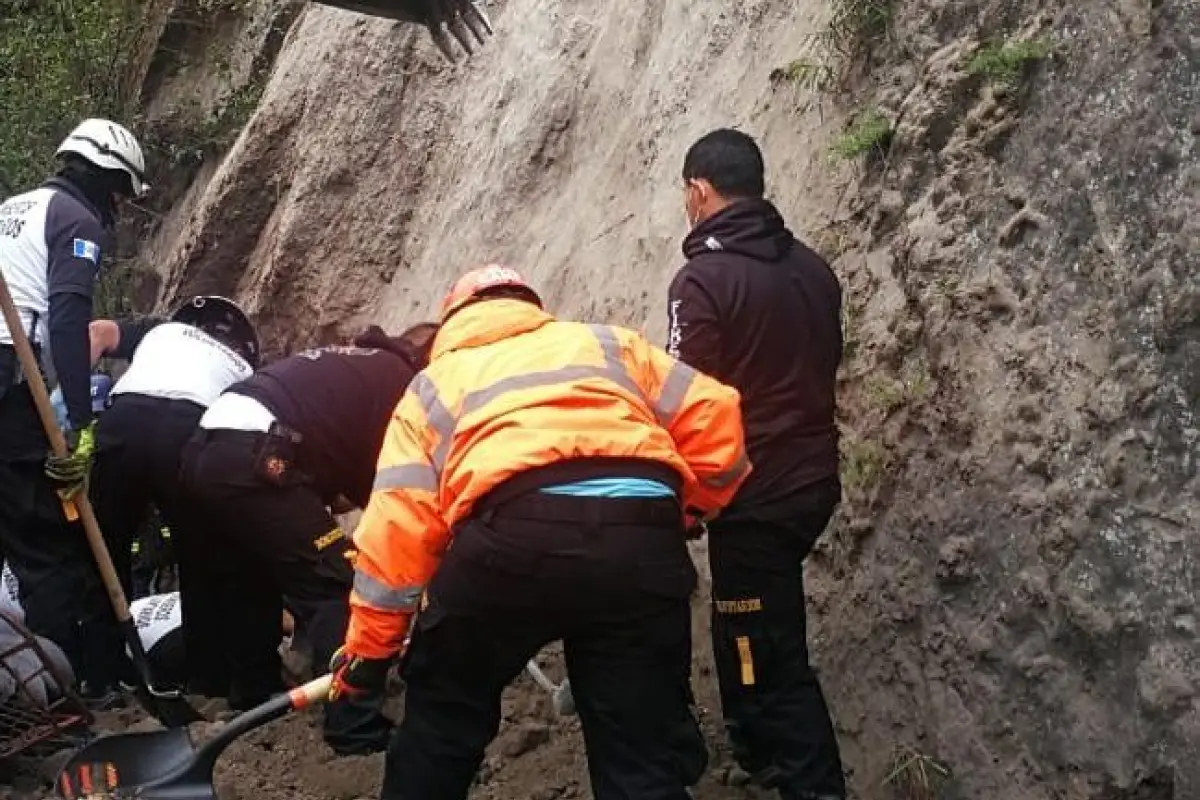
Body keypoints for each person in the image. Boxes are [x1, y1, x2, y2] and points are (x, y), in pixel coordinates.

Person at [329, 265, 752, 800]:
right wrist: (688, 512)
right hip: (641, 542)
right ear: (531, 304)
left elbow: (397, 534)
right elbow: (717, 417)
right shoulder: (606, 344)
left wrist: (368, 657)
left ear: (453, 321)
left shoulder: (433, 385)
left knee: (444, 716)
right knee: (638, 750)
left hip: (510, 540)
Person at [666, 128, 846, 800]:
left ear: (699, 191)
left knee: (771, 653)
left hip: (754, 494)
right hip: (812, 480)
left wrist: (680, 497)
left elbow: (686, 399)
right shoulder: (813, 269)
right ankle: (751, 741)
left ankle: (806, 781)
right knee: (742, 618)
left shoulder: (702, 282)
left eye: (686, 196)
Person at [178, 321, 437, 755]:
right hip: (259, 454)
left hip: (206, 451)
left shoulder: (360, 365)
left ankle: (255, 698)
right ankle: (353, 727)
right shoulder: (404, 388)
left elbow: (349, 470)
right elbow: (390, 500)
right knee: (339, 583)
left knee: (249, 579)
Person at [0, 118, 149, 695]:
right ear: (105, 177)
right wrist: (80, 424)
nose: (116, 206)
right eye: (120, 192)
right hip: (12, 384)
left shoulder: (14, 208)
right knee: (46, 549)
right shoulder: (75, 219)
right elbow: (67, 320)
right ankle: (56, 702)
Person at [83, 295, 260, 699]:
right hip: (189, 428)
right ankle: (206, 680)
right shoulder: (243, 368)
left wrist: (74, 405)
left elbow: (96, 332)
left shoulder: (159, 332)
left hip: (123, 420)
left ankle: (103, 675)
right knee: (201, 559)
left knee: (103, 554)